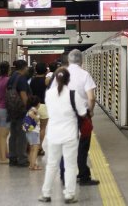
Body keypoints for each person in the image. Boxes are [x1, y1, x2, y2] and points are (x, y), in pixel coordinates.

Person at [39, 67, 87, 203]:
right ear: (68, 80)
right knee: (70, 165)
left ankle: (46, 193)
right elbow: (82, 113)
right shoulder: (73, 94)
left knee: (52, 164)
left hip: (53, 134)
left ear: (55, 79)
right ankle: (69, 194)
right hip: (70, 135)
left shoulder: (49, 94)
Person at [57, 49, 99, 186]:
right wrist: (91, 111)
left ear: (68, 61)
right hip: (82, 115)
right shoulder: (85, 75)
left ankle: (64, 176)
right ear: (81, 61)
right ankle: (83, 176)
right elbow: (91, 98)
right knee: (82, 146)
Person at [7, 59, 30, 167]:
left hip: (12, 109)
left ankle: (12, 157)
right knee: (22, 135)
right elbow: (23, 95)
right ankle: (22, 159)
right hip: (21, 110)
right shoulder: (21, 79)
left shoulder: (11, 77)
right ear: (24, 67)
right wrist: (28, 108)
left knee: (13, 134)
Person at [30, 62, 50, 156]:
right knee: (42, 128)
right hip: (43, 105)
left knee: (33, 128)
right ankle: (39, 148)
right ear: (45, 70)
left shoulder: (32, 80)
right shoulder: (46, 80)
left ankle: (32, 146)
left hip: (33, 106)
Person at [24, 95, 42, 171]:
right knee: (35, 149)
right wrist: (37, 118)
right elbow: (31, 114)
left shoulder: (29, 108)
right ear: (37, 103)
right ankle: (33, 165)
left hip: (29, 131)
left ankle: (32, 164)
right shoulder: (33, 109)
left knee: (31, 149)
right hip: (34, 132)